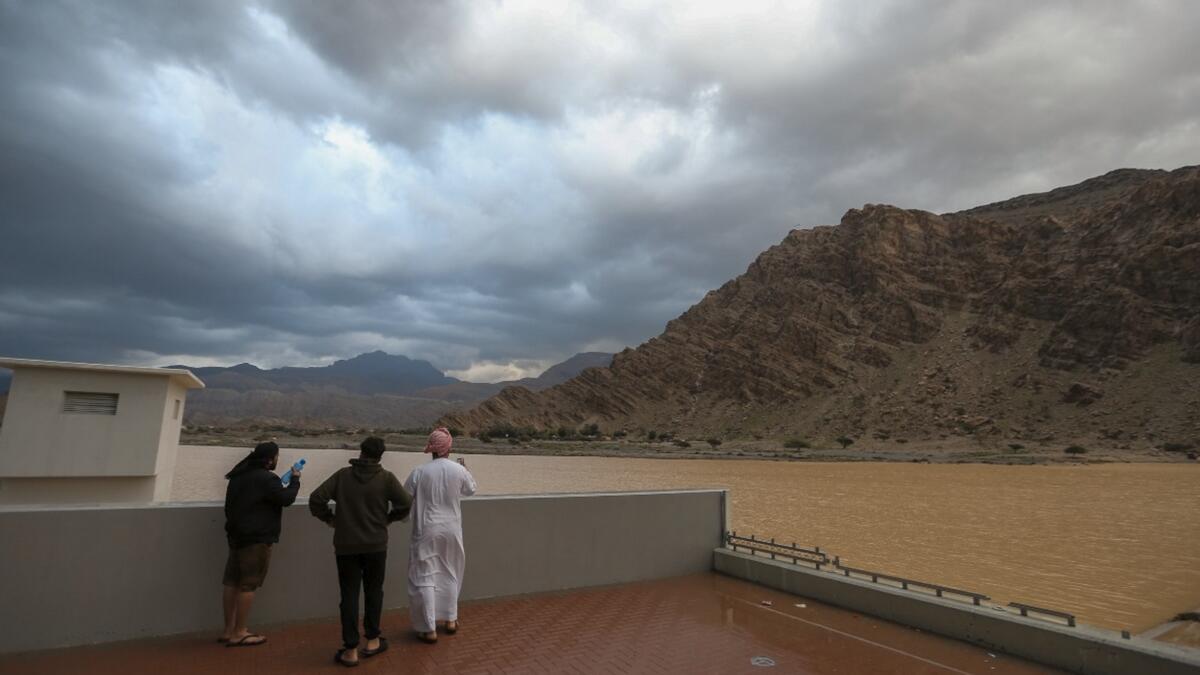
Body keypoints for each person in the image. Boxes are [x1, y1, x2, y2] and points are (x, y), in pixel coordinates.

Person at [310, 436, 413, 667]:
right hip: (376, 545)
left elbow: (316, 499)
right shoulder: (386, 478)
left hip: (346, 546)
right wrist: (388, 519)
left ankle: (350, 650)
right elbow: (406, 503)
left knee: (349, 595)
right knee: (374, 591)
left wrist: (331, 519)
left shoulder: (342, 476)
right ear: (381, 455)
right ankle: (373, 640)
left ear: (361, 451)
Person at [221, 441, 299, 647]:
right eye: (276, 457)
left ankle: (228, 630)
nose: (277, 460)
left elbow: (230, 506)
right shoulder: (267, 479)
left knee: (231, 582)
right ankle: (240, 632)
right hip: (256, 540)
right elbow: (286, 499)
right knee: (248, 585)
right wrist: (295, 480)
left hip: (236, 536)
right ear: (270, 459)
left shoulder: (238, 476)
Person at [404, 427, 477, 643]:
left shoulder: (419, 472)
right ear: (449, 448)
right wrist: (465, 470)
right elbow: (470, 490)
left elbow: (404, 498)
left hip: (426, 529)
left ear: (431, 449)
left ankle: (429, 629)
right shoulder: (459, 470)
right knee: (451, 571)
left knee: (425, 575)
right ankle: (451, 620)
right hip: (452, 530)